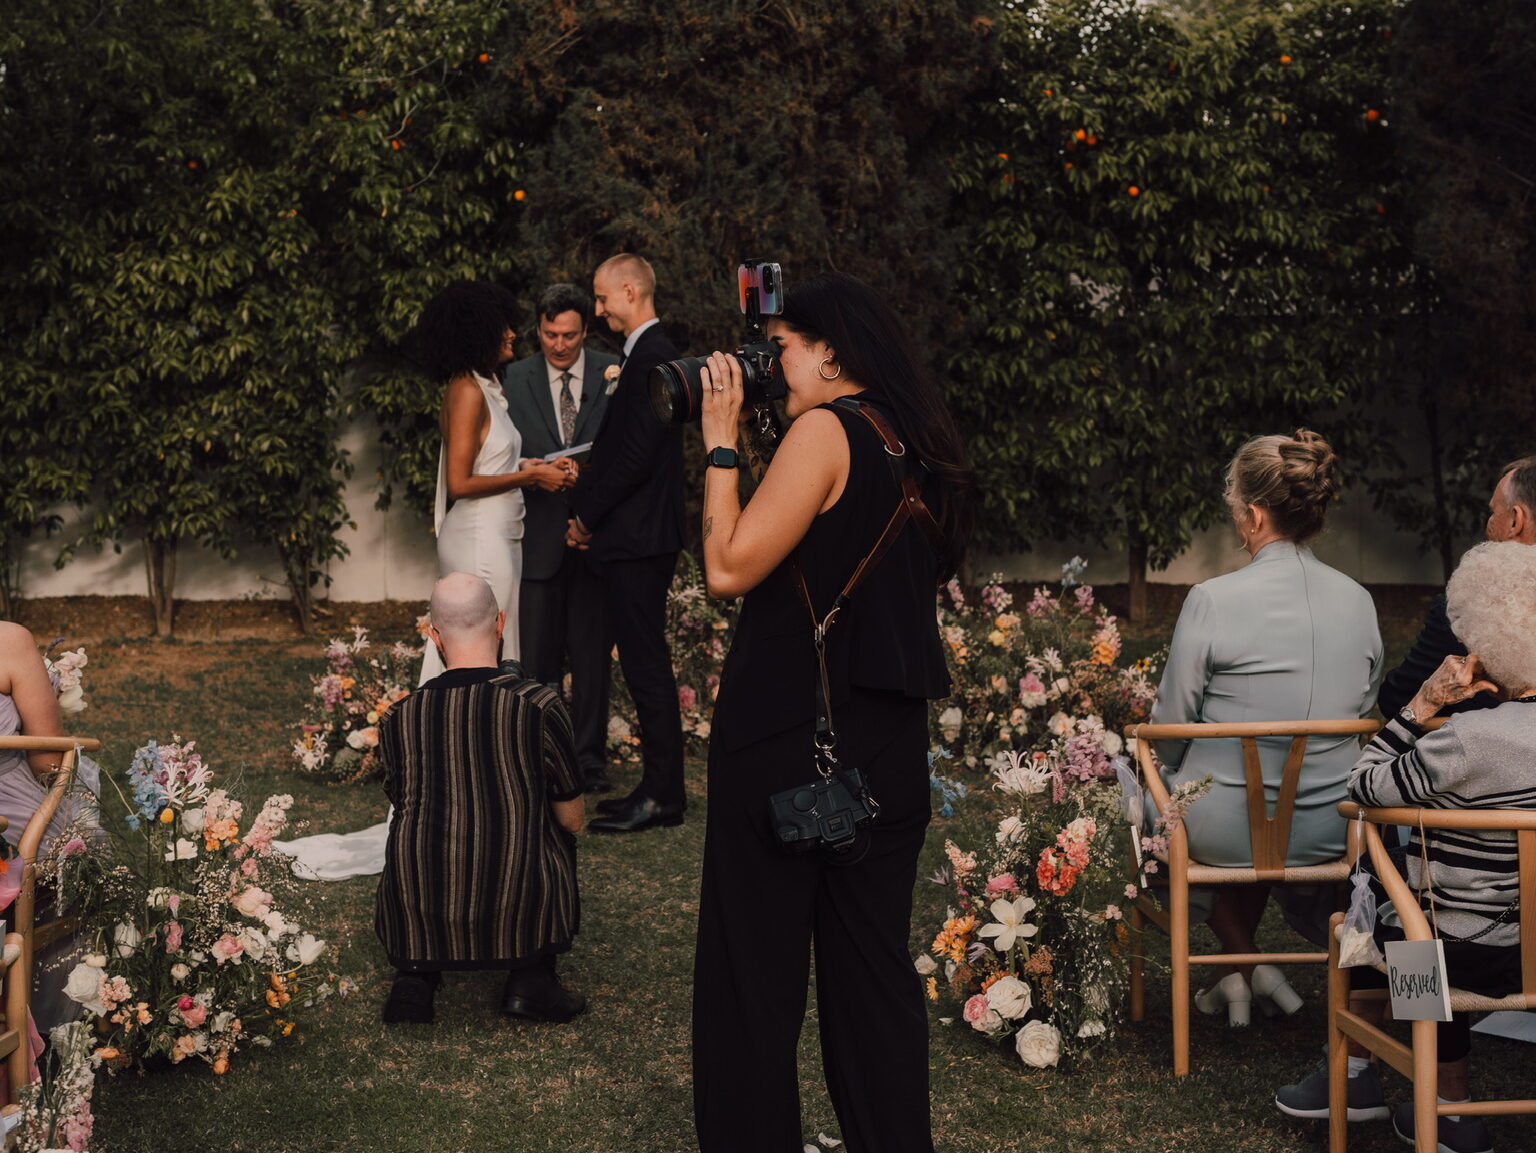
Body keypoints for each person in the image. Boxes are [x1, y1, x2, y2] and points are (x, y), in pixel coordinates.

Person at [690, 271, 973, 1153]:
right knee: (873, 985)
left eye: (782, 348)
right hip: (886, 748)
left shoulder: (823, 431)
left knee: (753, 981)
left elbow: (729, 567)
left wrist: (722, 444)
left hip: (788, 742)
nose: (772, 365)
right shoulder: (921, 444)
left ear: (830, 351)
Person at [1276, 539, 1536, 1153]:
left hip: (1461, 954)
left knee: (1388, 903)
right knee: (1416, 908)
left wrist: (1423, 704)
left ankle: (1394, 1087)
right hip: (1532, 943)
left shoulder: (1467, 744)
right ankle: (1442, 1107)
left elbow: (1365, 785)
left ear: (1478, 640)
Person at [1150, 430, 1383, 1025]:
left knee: (1151, 792)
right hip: (1334, 827)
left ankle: (1243, 960)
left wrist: (1159, 785)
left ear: (1253, 514)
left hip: (1218, 832)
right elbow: (1363, 704)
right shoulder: (1360, 601)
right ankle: (1245, 965)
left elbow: (1171, 728)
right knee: (1248, 799)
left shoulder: (1212, 598)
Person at [375, 572, 586, 1024]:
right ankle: (531, 979)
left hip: (422, 901)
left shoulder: (398, 716)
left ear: (433, 636)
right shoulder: (538, 705)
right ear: (501, 623)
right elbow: (571, 819)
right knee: (553, 829)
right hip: (519, 897)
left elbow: (399, 797)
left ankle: (415, 978)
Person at [568, 255, 688, 834]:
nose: (598, 308)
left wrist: (587, 518)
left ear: (629, 289)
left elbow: (637, 456)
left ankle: (664, 796)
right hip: (635, 537)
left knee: (646, 668)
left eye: (601, 297)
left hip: (639, 540)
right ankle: (657, 788)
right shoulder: (642, 354)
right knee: (643, 666)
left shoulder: (654, 355)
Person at [413, 280, 575, 685]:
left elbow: (487, 458)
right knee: (481, 650)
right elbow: (460, 482)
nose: (512, 333)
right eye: (502, 325)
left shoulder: (483, 387)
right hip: (479, 540)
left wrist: (525, 463)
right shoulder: (467, 390)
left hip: (499, 534)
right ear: (477, 332)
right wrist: (531, 475)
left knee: (494, 648)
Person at [503, 283, 619, 795]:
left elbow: (626, 450)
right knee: (536, 658)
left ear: (585, 332)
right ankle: (536, 754)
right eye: (550, 334)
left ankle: (590, 761)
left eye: (570, 335)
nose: (559, 345)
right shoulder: (512, 377)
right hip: (536, 539)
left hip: (595, 538)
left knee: (593, 658)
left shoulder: (614, 370)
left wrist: (587, 482)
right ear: (538, 330)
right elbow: (500, 454)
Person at [1376, 455, 1536, 719]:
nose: (1488, 523)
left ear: (1515, 521)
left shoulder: (1470, 610)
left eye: (1493, 512)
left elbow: (1398, 699)